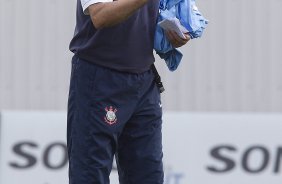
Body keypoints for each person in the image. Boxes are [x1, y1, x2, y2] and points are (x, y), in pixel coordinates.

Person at [67, 0, 190, 183]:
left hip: (144, 78)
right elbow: (100, 15)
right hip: (99, 78)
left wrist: (176, 33)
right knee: (90, 174)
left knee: (147, 177)